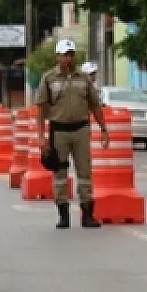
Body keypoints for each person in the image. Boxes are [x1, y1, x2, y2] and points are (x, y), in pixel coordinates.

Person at [35, 39, 110, 229]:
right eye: (64, 55)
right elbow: (41, 108)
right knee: (60, 173)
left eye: (71, 54)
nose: (68, 58)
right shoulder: (49, 78)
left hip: (81, 130)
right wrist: (41, 136)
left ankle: (87, 214)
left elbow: (95, 105)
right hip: (59, 131)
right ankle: (63, 214)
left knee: (84, 172)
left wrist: (103, 128)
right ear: (57, 56)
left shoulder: (83, 78)